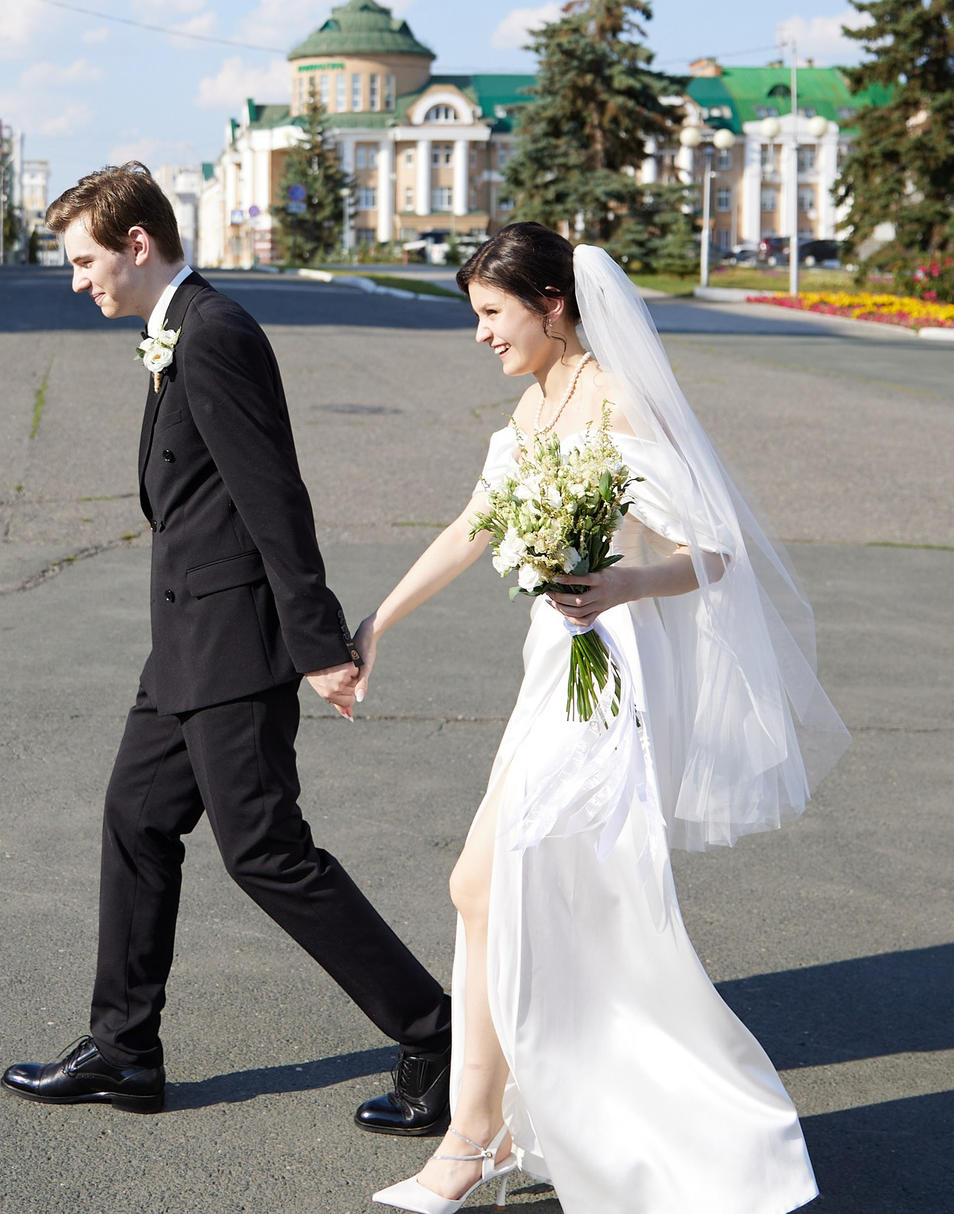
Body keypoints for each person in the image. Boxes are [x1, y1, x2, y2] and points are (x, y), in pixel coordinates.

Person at [354, 223, 849, 1213]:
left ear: (552, 305)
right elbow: (474, 523)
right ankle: (503, 1129)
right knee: (508, 895)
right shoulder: (535, 400)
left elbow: (712, 552)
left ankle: (473, 1139)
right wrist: (375, 624)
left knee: (488, 885)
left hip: (611, 682)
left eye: (492, 313)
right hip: (551, 670)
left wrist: (622, 582)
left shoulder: (619, 398)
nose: (480, 334)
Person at [0, 163, 454, 1134]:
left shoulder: (214, 334)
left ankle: (437, 1033)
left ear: (135, 244)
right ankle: (125, 1048)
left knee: (266, 852)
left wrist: (318, 643)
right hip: (184, 644)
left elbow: (272, 494)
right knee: (136, 817)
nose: (75, 280)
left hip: (234, 644)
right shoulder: (182, 331)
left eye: (82, 261)